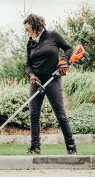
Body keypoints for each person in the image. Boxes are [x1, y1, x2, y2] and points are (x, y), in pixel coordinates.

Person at [24, 13, 77, 155]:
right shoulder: (30, 43)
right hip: (37, 82)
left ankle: (71, 146)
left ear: (36, 26)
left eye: (28, 29)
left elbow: (69, 49)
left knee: (60, 115)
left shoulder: (53, 36)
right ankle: (35, 147)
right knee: (34, 116)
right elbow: (28, 65)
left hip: (53, 81)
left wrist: (64, 60)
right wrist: (32, 76)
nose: (27, 32)